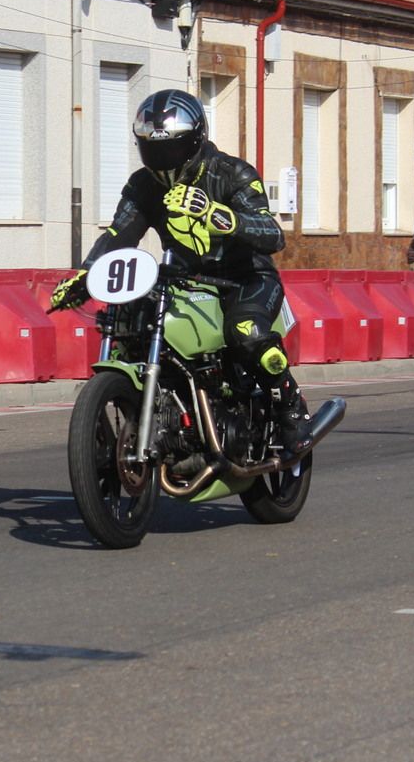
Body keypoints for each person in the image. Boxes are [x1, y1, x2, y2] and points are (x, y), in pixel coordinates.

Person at [46, 88, 311, 476]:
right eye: (153, 150)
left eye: (171, 148)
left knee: (247, 333)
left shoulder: (232, 172)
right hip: (185, 280)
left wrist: (217, 214)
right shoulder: (142, 186)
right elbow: (120, 235)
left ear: (195, 140)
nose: (162, 159)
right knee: (132, 323)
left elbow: (272, 234)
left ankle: (291, 407)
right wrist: (87, 274)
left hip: (244, 278)